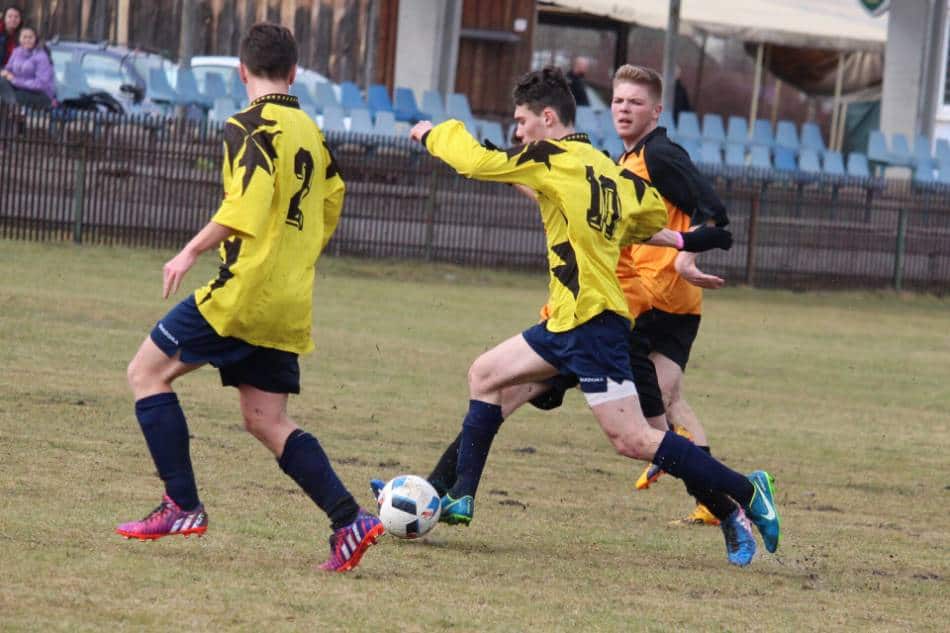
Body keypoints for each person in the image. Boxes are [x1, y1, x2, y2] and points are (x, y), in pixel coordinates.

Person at [405, 67, 780, 567]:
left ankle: (744, 493)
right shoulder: (607, 167)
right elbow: (645, 211)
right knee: (486, 375)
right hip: (566, 321)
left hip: (594, 325)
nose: (518, 133)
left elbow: (476, 161)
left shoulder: (559, 158)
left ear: (547, 117)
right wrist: (682, 242)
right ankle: (458, 495)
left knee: (636, 439)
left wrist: (434, 134)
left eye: (521, 121)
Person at [115, 23, 384, 573]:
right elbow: (332, 198)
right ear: (292, 73)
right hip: (288, 300)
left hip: (240, 295)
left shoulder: (247, 126)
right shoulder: (311, 131)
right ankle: (348, 519)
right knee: (266, 419)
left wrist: (188, 252)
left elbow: (248, 204)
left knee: (145, 374)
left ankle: (182, 506)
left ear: (242, 72)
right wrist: (297, 251)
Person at [612, 64, 732, 529]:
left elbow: (714, 213)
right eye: (619, 101)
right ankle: (715, 496)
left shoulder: (660, 154)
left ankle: (683, 465)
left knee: (651, 405)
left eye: (635, 102)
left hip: (662, 298)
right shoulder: (625, 160)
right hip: (659, 299)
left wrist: (684, 255)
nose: (625, 109)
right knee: (669, 398)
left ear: (657, 110)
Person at [0, 26, 55, 110]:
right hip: (20, 89)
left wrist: (15, 80)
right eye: (24, 37)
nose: (27, 40)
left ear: (35, 38)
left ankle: (14, 111)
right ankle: (13, 110)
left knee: (11, 96)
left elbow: (41, 84)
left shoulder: (41, 56)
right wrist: (4, 72)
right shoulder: (17, 51)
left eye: (30, 37)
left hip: (40, 95)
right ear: (19, 39)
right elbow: (8, 69)